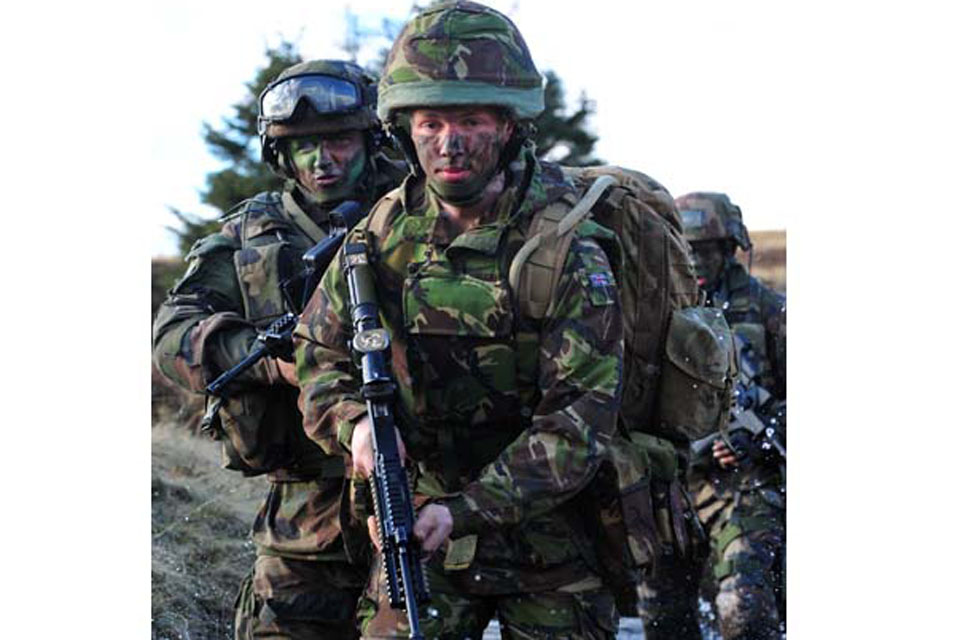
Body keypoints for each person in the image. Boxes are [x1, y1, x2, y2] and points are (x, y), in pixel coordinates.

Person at [292, 2, 633, 637]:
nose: (449, 143)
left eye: (470, 121)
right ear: (405, 128)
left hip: (550, 540)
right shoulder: (377, 237)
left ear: (506, 127)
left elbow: (578, 425)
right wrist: (356, 428)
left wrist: (465, 511)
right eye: (431, 123)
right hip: (418, 530)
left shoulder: (563, 247)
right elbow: (319, 360)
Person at [152, 59, 407, 639]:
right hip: (302, 516)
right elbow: (171, 335)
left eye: (339, 140)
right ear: (279, 154)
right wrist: (273, 362)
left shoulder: (418, 214)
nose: (323, 160)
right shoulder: (250, 232)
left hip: (421, 493)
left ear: (369, 138)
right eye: (304, 146)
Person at [635, 191, 786, 639]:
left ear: (728, 248)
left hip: (744, 484)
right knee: (662, 616)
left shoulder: (768, 310)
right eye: (685, 251)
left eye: (703, 251)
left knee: (745, 608)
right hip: (671, 484)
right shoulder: (651, 309)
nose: (694, 262)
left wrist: (761, 435)